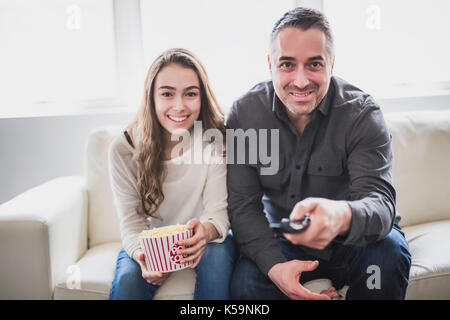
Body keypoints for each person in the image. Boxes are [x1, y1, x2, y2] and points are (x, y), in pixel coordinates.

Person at [226, 7, 411, 300]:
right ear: (270, 64)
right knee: (246, 285)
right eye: (287, 65)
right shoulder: (244, 115)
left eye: (314, 65)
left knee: (387, 259)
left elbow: (380, 203)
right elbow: (242, 206)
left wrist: (341, 215)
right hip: (283, 239)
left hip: (355, 241)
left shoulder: (362, 114)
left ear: (331, 64)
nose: (301, 81)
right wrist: (276, 268)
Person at [108, 48, 237, 300]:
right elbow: (132, 223)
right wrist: (142, 256)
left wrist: (206, 231)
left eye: (190, 94)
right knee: (128, 279)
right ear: (151, 97)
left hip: (206, 240)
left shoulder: (215, 141)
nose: (179, 106)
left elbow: (218, 214)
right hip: (150, 239)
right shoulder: (123, 148)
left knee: (217, 260)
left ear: (202, 98)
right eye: (167, 94)